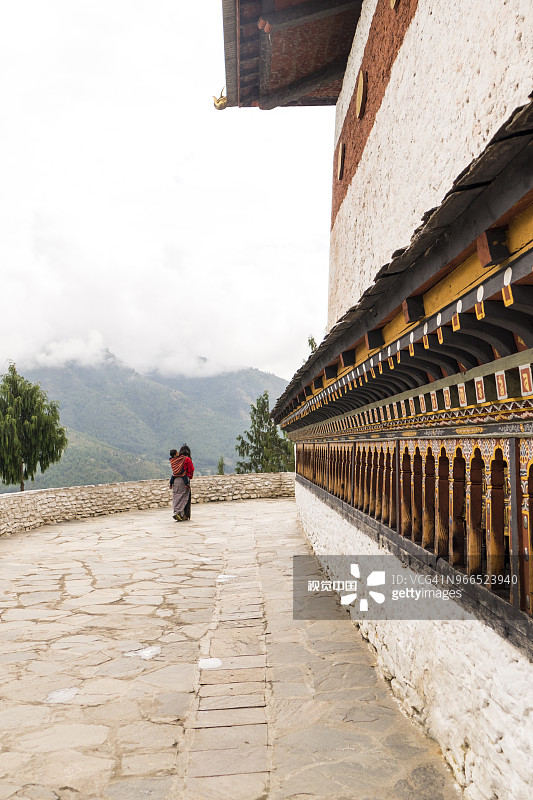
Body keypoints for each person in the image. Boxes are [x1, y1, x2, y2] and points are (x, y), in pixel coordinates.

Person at [169, 444, 194, 521]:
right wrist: (189, 477)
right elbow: (191, 469)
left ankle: (176, 511)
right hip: (183, 480)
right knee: (184, 497)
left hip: (175, 480)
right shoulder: (186, 459)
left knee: (176, 496)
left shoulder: (175, 460)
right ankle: (182, 514)